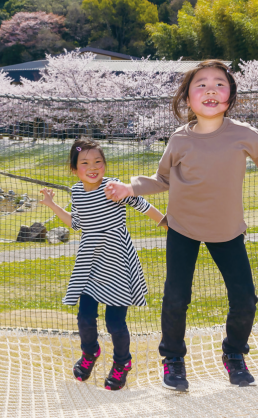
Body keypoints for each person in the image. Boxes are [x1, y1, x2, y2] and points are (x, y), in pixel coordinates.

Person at [105, 60, 258, 392]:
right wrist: (130, 188)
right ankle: (173, 360)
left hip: (227, 230)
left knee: (245, 299)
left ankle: (234, 354)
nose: (211, 89)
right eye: (201, 85)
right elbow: (162, 179)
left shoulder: (244, 135)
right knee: (176, 297)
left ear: (231, 96)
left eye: (219, 84)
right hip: (182, 227)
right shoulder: (180, 140)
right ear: (187, 98)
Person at [39, 138, 166, 391]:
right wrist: (52, 205)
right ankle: (90, 353)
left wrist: (166, 223)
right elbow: (77, 223)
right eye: (85, 162)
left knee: (115, 323)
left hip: (118, 261)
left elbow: (142, 205)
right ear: (75, 169)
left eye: (98, 161)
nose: (93, 166)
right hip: (90, 263)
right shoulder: (76, 192)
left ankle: (122, 363)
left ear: (105, 166)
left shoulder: (113, 188)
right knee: (85, 317)